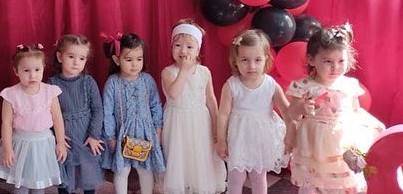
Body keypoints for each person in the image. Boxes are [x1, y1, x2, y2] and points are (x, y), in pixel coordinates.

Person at [286, 23, 384, 194]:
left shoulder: (349, 85)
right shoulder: (304, 86)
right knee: (310, 181)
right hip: (312, 141)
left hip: (341, 140)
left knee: (340, 180)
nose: (335, 67)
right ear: (311, 60)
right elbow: (291, 113)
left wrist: (374, 124)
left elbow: (355, 111)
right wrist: (301, 108)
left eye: (341, 61)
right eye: (328, 61)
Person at [216, 29, 290, 194]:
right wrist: (221, 141)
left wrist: (291, 135)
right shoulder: (231, 85)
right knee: (236, 176)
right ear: (236, 61)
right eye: (245, 60)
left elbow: (287, 111)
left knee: (259, 176)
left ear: (266, 59)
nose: (251, 66)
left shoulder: (271, 85)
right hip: (239, 138)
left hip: (261, 139)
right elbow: (223, 115)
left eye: (257, 60)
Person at [0, 43, 67, 194]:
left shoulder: (50, 92)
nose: (32, 75)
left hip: (43, 144)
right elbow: (6, 123)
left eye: (37, 70)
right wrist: (7, 148)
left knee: (39, 184)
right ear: (16, 71)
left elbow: (57, 118)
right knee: (21, 185)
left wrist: (61, 142)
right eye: (26, 70)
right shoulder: (11, 94)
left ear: (43, 68)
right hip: (20, 144)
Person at [160, 20, 227, 194]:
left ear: (198, 50)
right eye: (178, 45)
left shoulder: (204, 72)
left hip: (200, 121)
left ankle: (200, 185)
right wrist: (183, 70)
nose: (183, 51)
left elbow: (210, 99)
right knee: (180, 155)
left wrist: (216, 125)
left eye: (189, 47)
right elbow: (174, 94)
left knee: (200, 154)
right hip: (177, 123)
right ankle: (180, 186)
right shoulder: (168, 72)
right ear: (171, 47)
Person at [101, 33, 165, 194]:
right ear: (117, 60)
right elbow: (107, 112)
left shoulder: (147, 80)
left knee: (146, 169)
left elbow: (156, 106)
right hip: (122, 134)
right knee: (122, 170)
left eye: (139, 59)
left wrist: (158, 130)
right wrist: (111, 136)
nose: (135, 64)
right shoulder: (113, 83)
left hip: (145, 133)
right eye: (129, 60)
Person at [49, 34, 104, 194]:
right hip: (65, 138)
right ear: (60, 57)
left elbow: (98, 109)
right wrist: (56, 136)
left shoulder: (88, 82)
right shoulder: (52, 84)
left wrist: (94, 135)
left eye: (82, 58)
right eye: (71, 56)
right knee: (65, 172)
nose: (76, 62)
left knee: (88, 174)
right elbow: (47, 114)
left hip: (85, 136)